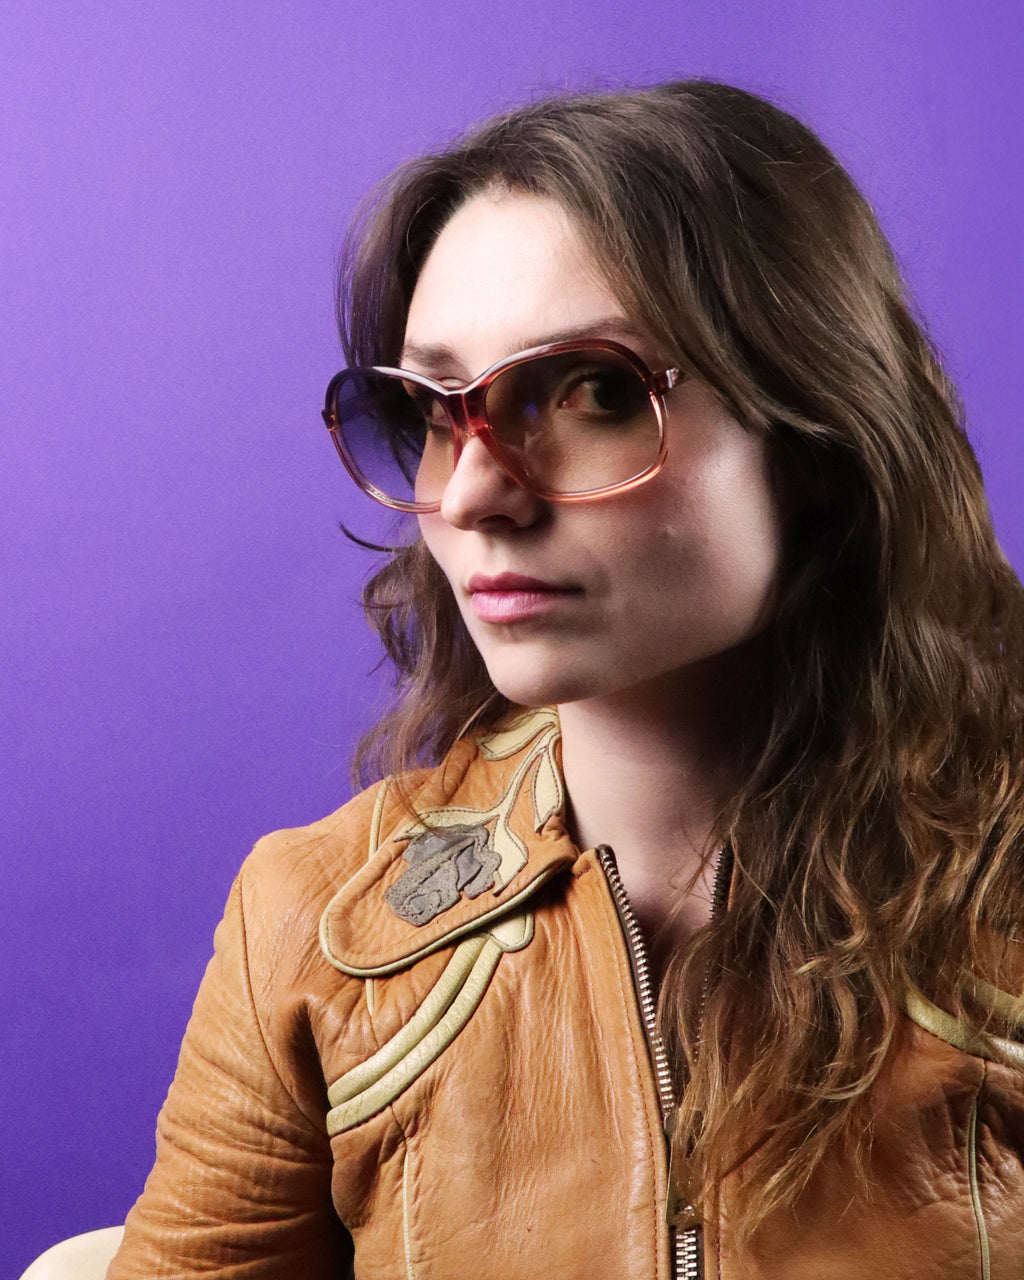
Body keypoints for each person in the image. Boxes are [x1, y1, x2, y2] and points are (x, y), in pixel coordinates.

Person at [106, 81, 1024, 1278]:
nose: (475, 493)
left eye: (594, 391)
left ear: (816, 434)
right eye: (435, 410)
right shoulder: (314, 929)